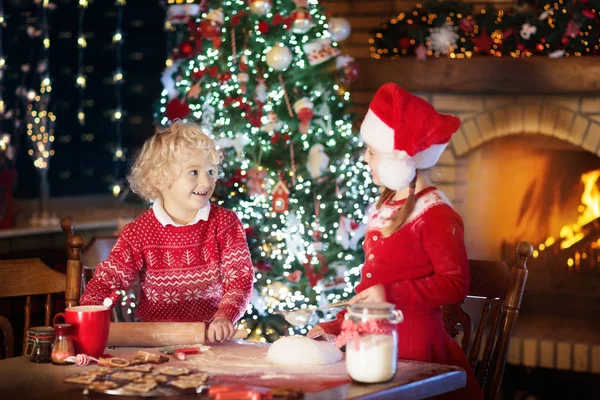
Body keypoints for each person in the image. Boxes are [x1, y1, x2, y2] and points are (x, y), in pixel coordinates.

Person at [307, 83, 484, 399]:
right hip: (374, 346)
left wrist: (388, 294)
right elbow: (371, 293)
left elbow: (455, 284)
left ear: (399, 161)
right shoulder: (386, 207)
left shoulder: (435, 214)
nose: (365, 159)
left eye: (372, 152)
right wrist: (335, 327)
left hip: (414, 352)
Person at [80, 121, 254, 343]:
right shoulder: (139, 232)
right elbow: (109, 280)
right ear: (160, 179)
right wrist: (86, 314)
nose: (206, 181)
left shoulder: (225, 223)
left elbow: (240, 278)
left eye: (210, 171)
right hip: (157, 343)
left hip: (212, 342)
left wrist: (224, 316)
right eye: (194, 172)